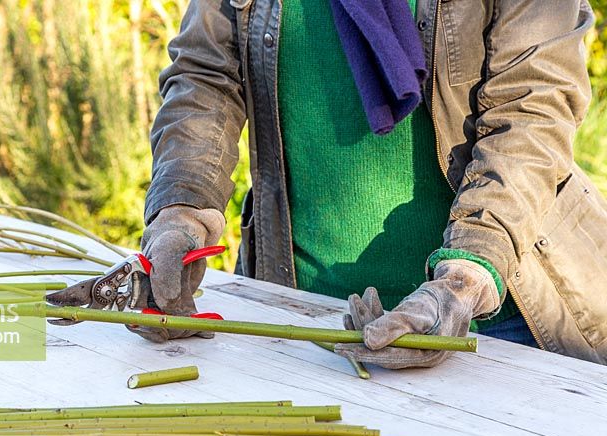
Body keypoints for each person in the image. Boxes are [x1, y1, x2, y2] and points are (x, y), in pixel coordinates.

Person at [131, 0, 607, 367]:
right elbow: (205, 76)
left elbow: (532, 107)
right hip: (302, 319)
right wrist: (181, 210)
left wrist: (468, 275)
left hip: (500, 323)